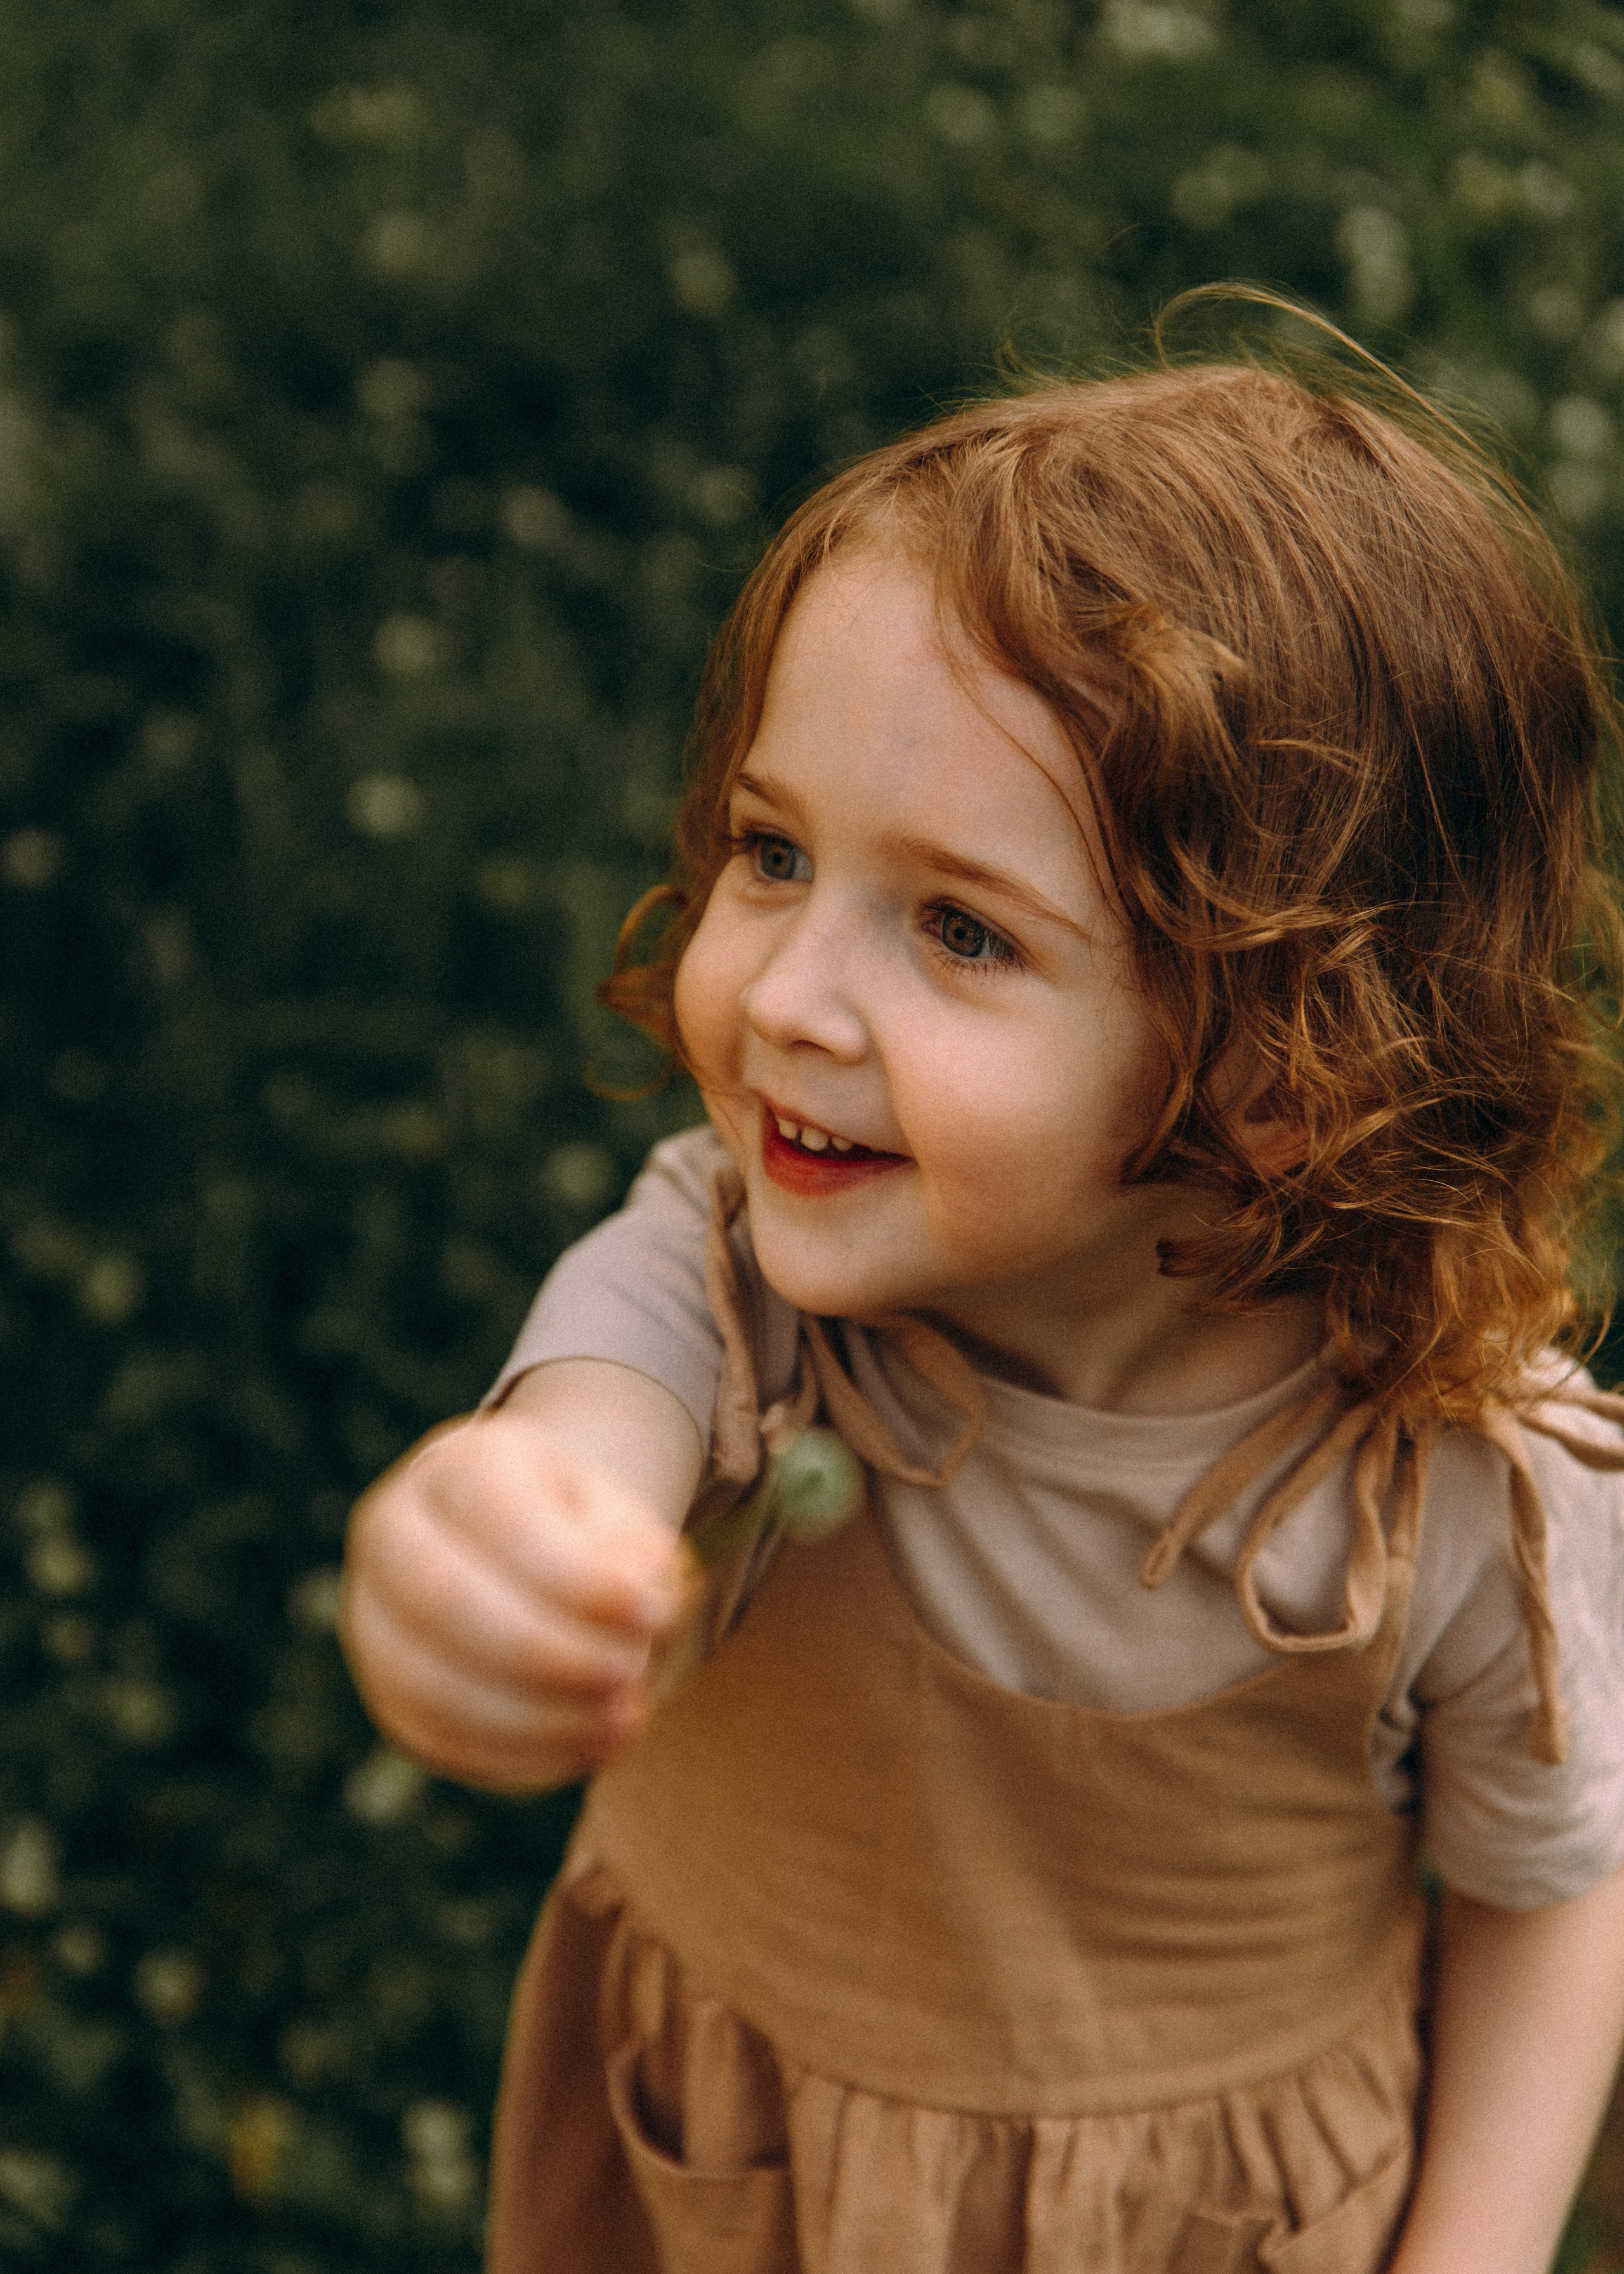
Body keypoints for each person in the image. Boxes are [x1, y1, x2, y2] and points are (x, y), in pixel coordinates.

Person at [341, 317, 1624, 2273]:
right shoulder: (729, 1288)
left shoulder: (1454, 1485)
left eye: (957, 928)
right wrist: (493, 1554)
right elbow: (572, 1461)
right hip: (733, 2181)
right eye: (775, 852)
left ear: (1289, 1069)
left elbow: (1556, 1885)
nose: (780, 994)